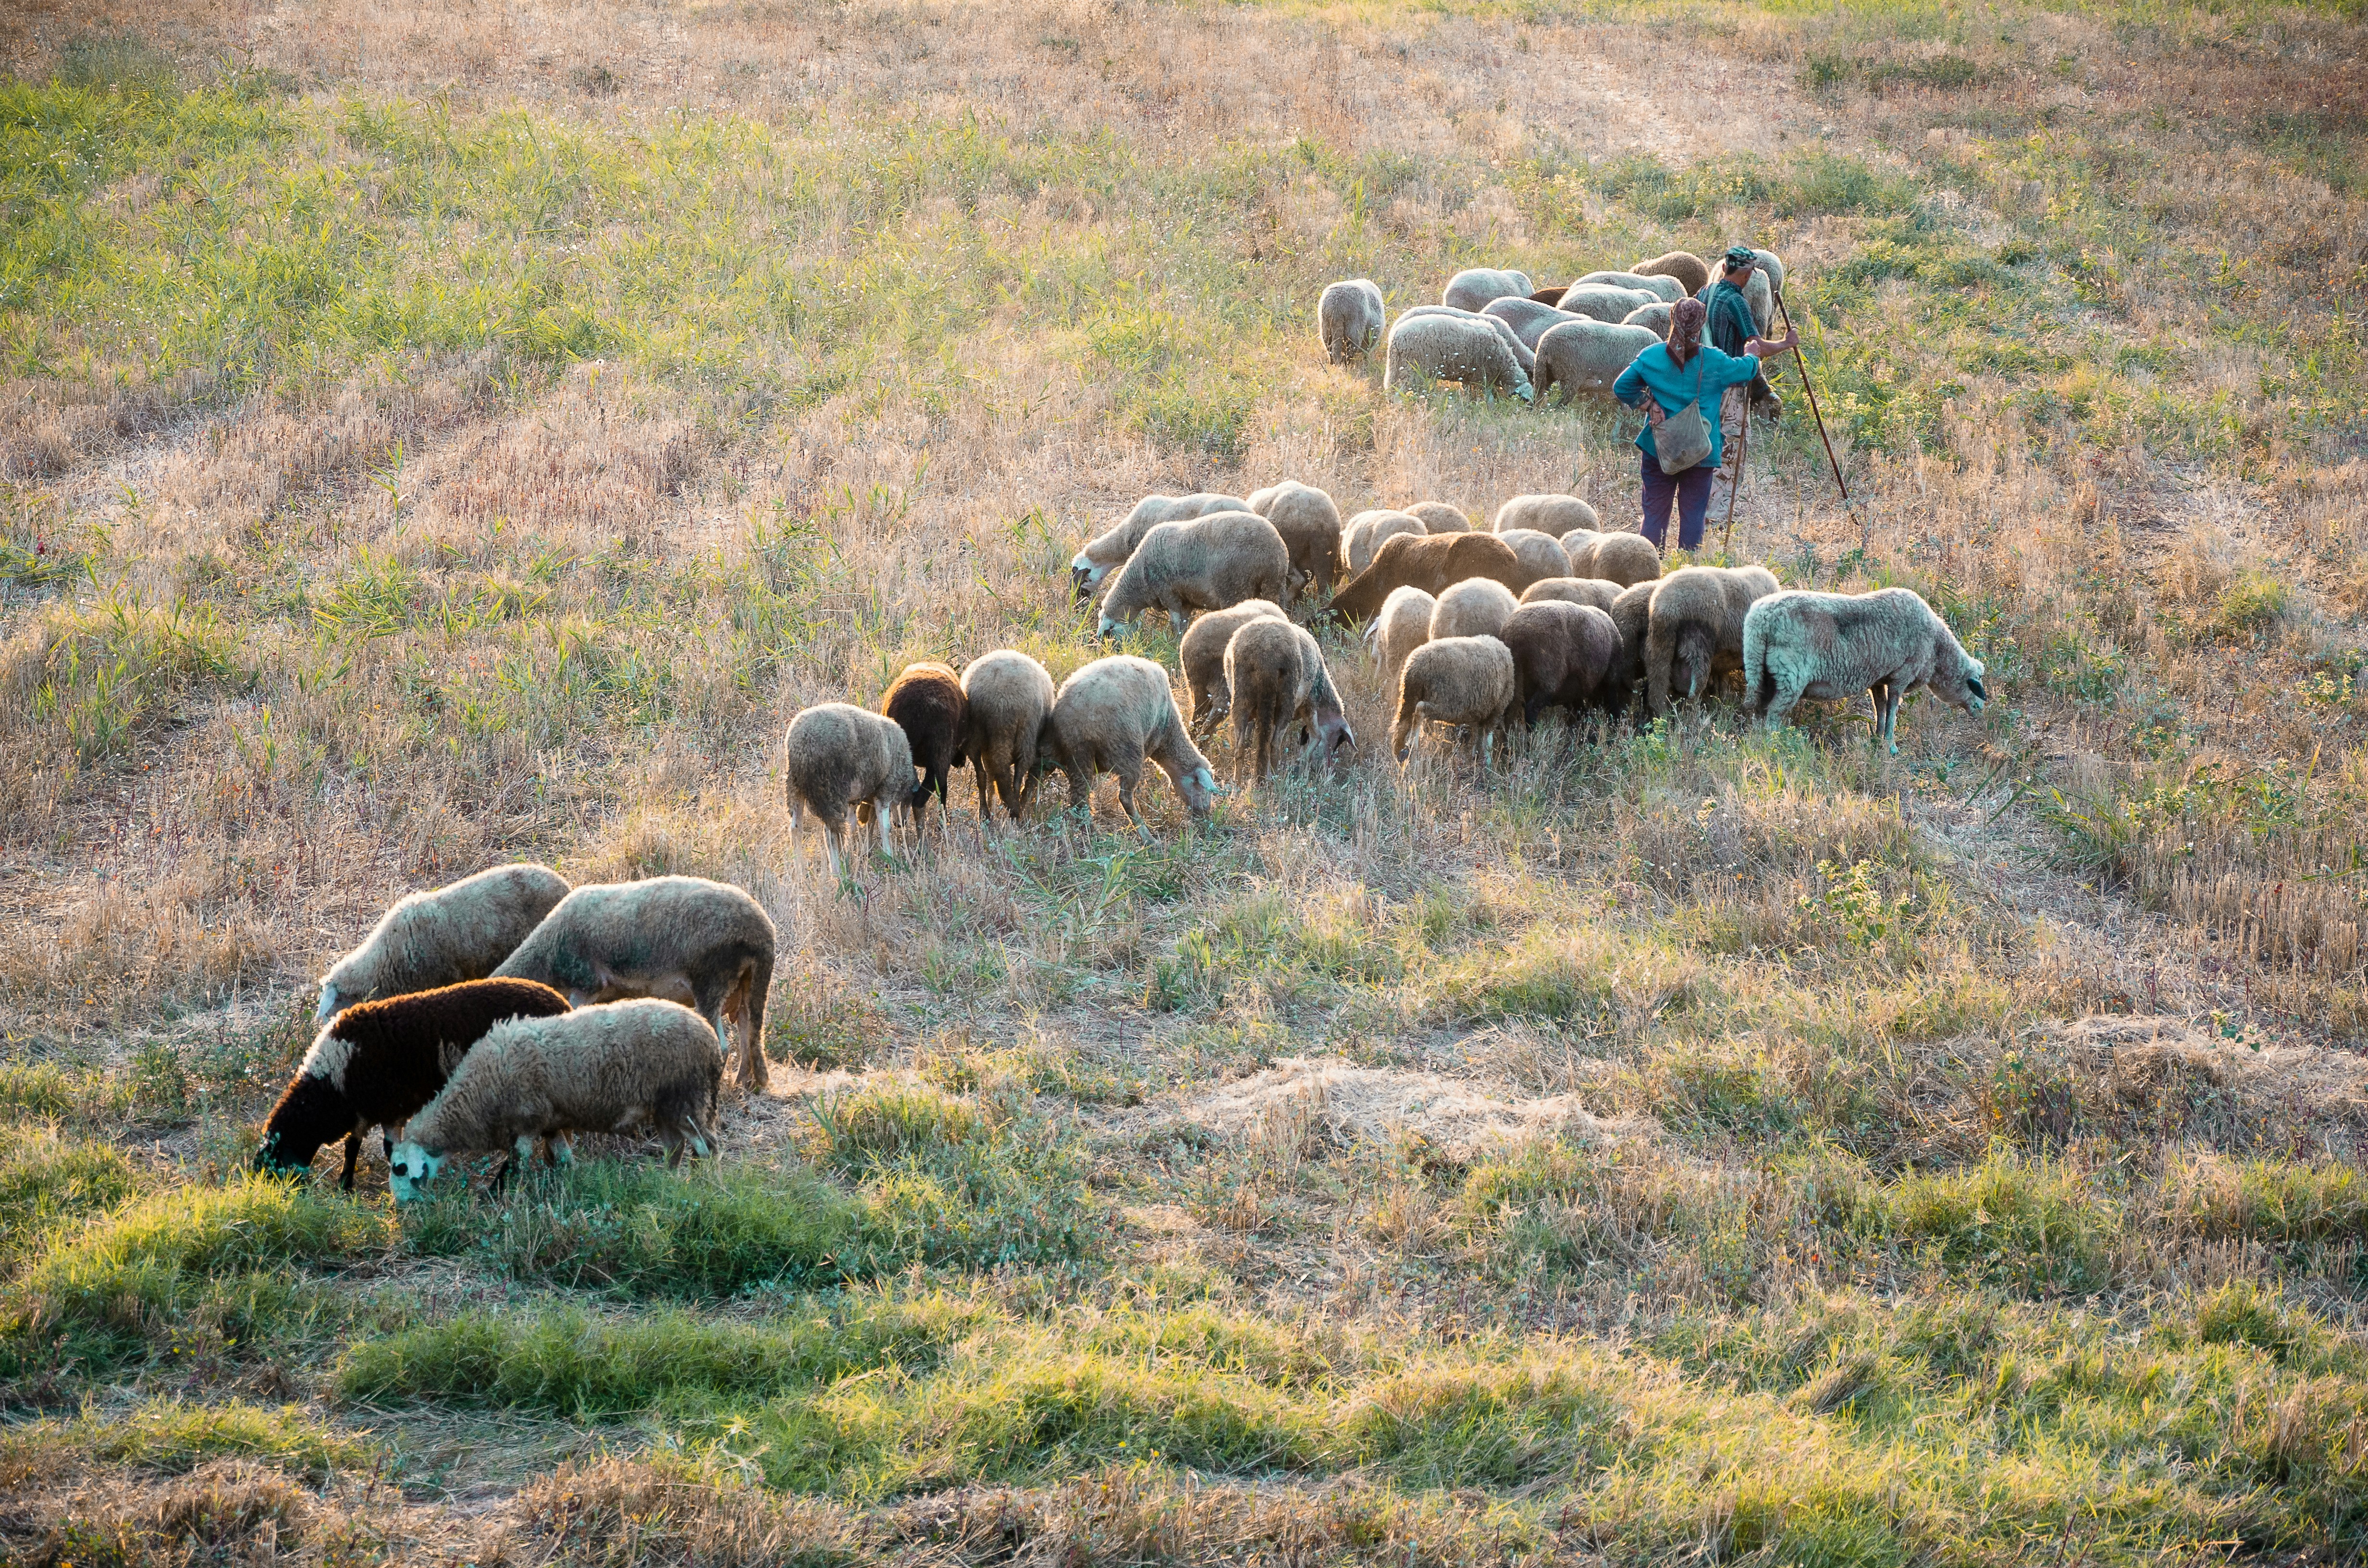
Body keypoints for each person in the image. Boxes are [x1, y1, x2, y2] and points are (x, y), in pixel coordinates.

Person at [1612, 297, 1796, 554]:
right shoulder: (1715, 362)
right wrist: (1752, 355)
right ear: (1702, 326)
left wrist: (1648, 404)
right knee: (1694, 514)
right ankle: (1687, 569)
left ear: (1672, 319)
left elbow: (1621, 387)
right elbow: (1747, 371)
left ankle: (1649, 566)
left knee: (1654, 512)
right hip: (1701, 451)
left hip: (1658, 449)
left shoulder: (1651, 356)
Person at [1700, 244, 1783, 523]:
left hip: (1702, 384)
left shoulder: (1705, 292)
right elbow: (1756, 344)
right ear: (1748, 275)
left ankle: (1699, 505)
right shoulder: (1737, 302)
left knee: (1706, 444)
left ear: (1724, 268)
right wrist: (1786, 343)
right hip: (1732, 387)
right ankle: (1717, 516)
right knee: (1731, 450)